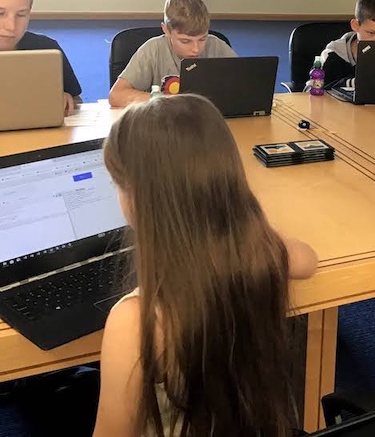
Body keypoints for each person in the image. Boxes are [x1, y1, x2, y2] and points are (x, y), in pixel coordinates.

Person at [93, 94, 318, 437]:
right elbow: (307, 260)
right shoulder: (262, 255)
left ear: (139, 199)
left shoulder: (135, 320)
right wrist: (241, 216)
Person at [109, 0, 236, 107]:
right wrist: (169, 101)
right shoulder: (153, 49)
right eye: (185, 41)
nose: (196, 49)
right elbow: (116, 95)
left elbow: (247, 86)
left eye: (202, 39)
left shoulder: (217, 46)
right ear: (166, 30)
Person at [0, 0, 82, 112]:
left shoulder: (46, 48)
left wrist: (65, 100)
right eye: (0, 13)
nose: (11, 26)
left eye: (21, 15)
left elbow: (76, 100)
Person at [312, 0, 375, 89]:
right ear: (355, 25)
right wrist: (354, 83)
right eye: (371, 33)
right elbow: (310, 91)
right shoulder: (331, 54)